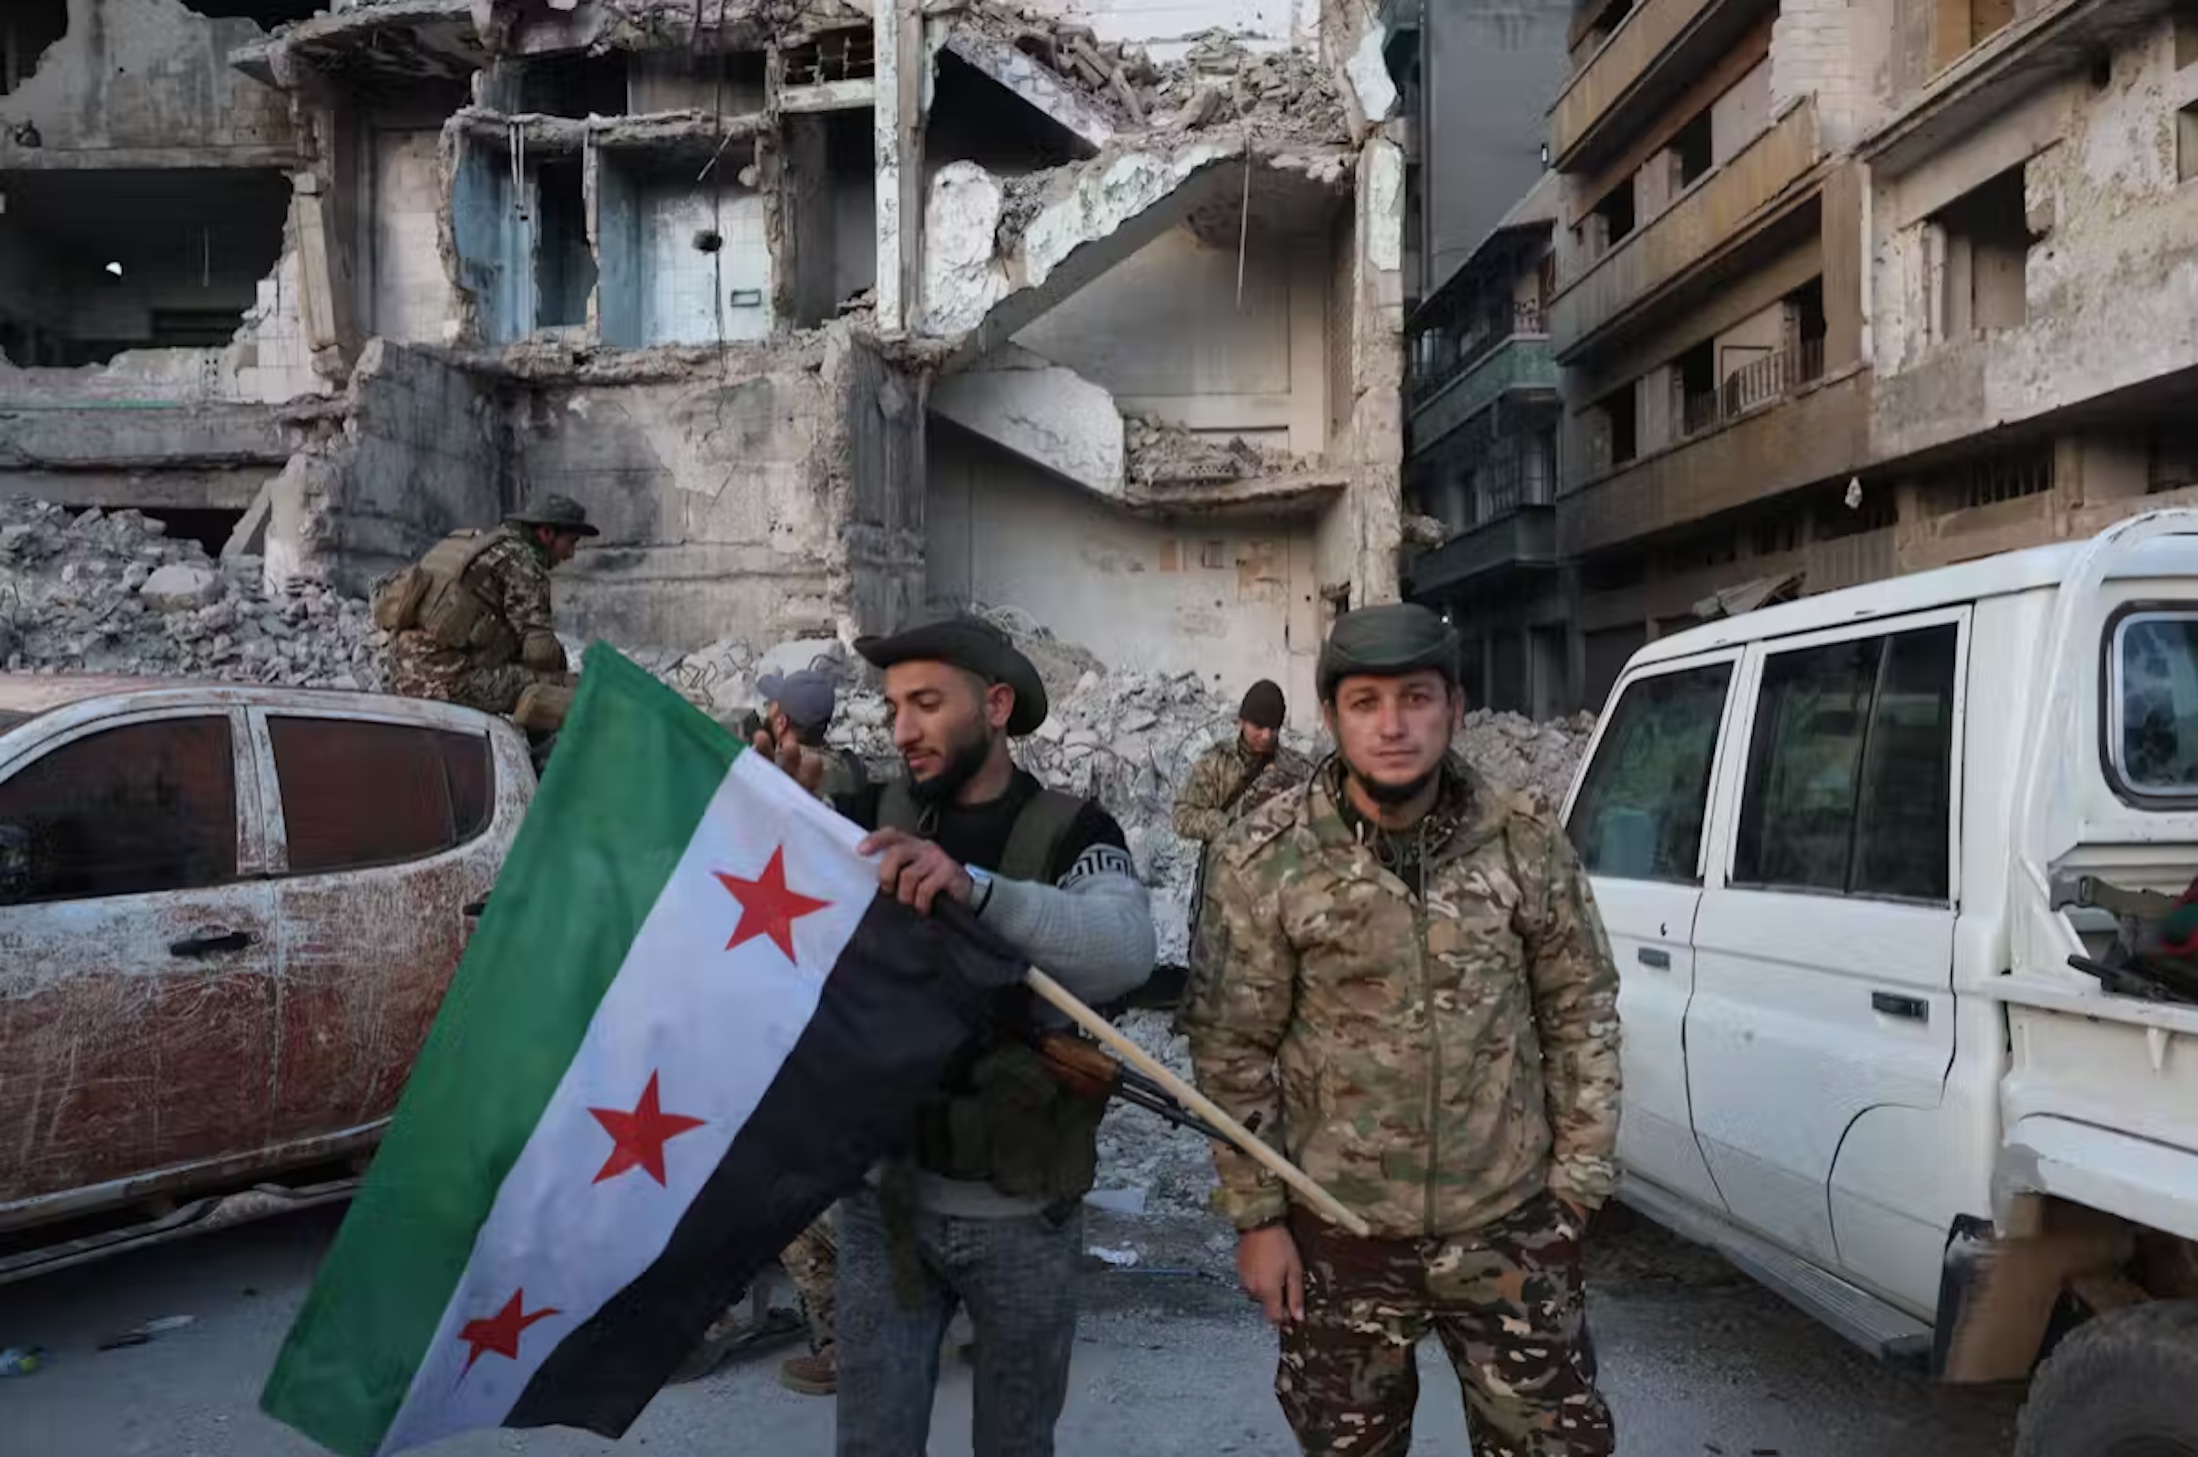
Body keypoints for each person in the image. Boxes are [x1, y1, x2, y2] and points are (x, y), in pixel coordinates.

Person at [1183, 602, 1621, 1457]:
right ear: (1332, 714)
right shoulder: (1267, 857)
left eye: (1416, 698)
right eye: (1366, 701)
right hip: (1337, 1236)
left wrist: (1576, 1185)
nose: (1392, 726)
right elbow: (1230, 1048)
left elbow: (1582, 1009)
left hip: (1510, 1223)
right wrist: (1258, 1219)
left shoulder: (1523, 844)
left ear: (1455, 708)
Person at [826, 611, 1155, 1457]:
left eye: (927, 703)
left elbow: (1122, 952)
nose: (902, 729)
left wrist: (976, 891)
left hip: (1020, 1210)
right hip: (883, 1204)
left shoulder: (1072, 830)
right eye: (894, 706)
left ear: (997, 704)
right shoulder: (864, 815)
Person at [377, 494, 595, 717]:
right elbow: (540, 654)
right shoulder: (523, 561)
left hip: (402, 674)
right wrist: (559, 661)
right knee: (568, 690)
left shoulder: (474, 546)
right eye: (570, 542)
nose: (570, 554)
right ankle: (535, 751)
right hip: (447, 682)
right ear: (546, 533)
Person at [1172, 678, 1310, 1017]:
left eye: (1273, 728)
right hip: (1223, 876)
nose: (1266, 735)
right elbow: (1182, 816)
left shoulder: (1296, 769)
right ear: (1242, 721)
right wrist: (1226, 826)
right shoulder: (1215, 764)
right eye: (1259, 726)